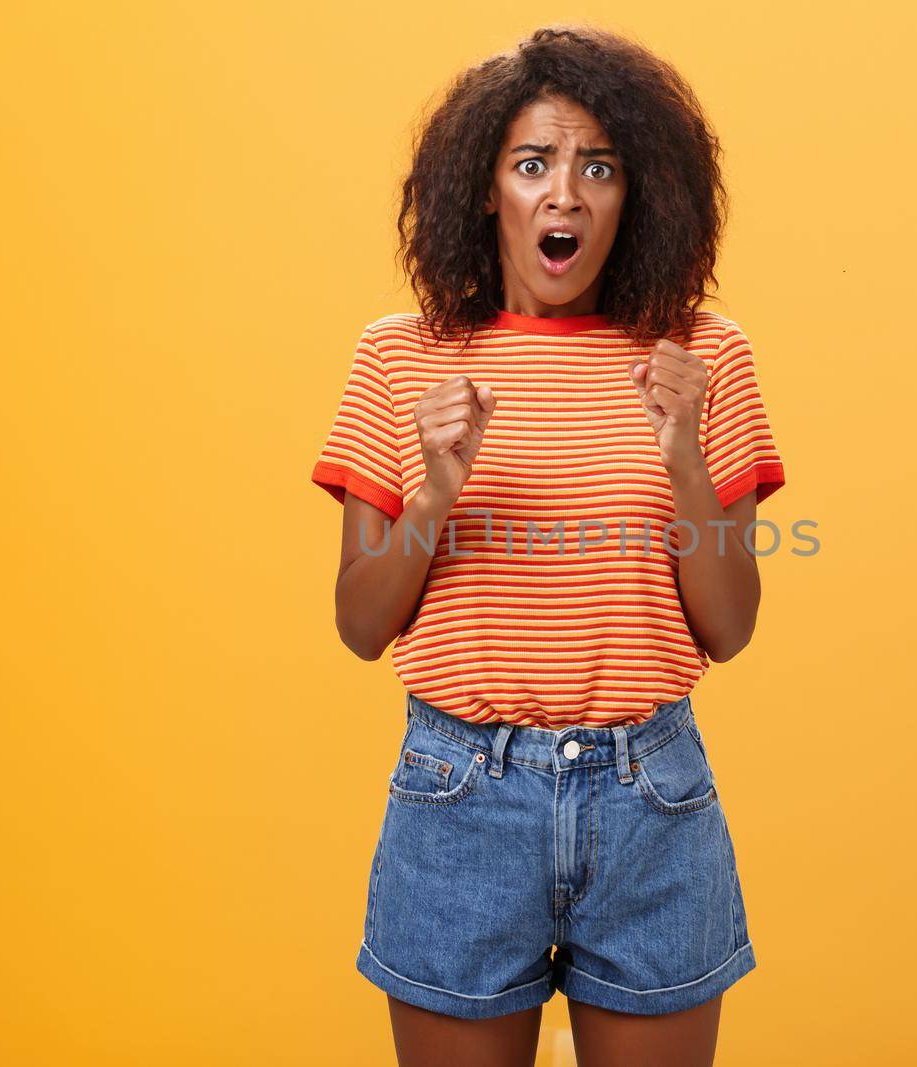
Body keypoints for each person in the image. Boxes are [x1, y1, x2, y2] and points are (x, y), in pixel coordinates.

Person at [309, 25, 786, 1067]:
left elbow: (731, 625)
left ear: (636, 194)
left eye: (597, 167)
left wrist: (683, 461)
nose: (564, 194)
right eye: (533, 164)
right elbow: (357, 623)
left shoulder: (702, 356)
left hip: (649, 796)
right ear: (488, 191)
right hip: (460, 796)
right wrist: (436, 489)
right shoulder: (401, 356)